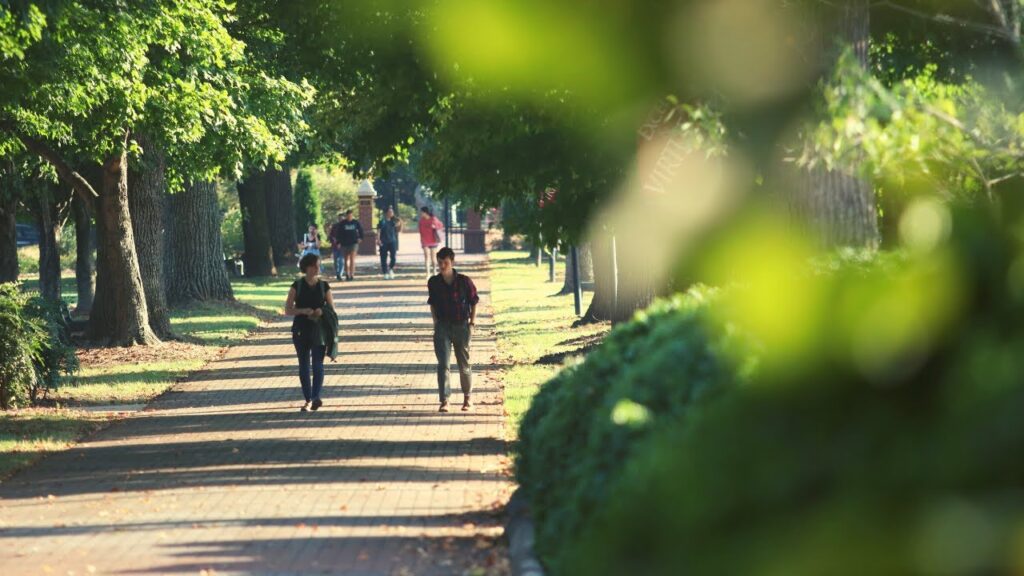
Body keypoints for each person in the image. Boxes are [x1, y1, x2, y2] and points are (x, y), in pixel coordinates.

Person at [285, 253, 338, 412]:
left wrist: (321, 311)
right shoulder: (297, 286)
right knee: (303, 365)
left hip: (319, 330)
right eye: (315, 265)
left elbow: (332, 310)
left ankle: (315, 397)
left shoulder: (324, 286)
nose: (317, 268)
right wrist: (302, 311)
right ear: (306, 267)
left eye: (318, 265)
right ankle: (307, 399)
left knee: (317, 364)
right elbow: (288, 309)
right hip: (301, 329)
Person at [427, 247, 478, 413]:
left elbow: (474, 301)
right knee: (443, 365)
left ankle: (467, 399)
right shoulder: (434, 282)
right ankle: (445, 400)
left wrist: (472, 323)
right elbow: (433, 303)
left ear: (452, 262)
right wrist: (435, 323)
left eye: (445, 263)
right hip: (442, 327)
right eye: (440, 262)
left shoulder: (464, 281)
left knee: (464, 363)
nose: (442, 266)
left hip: (461, 326)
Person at [332, 209, 363, 281]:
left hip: (353, 243)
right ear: (346, 216)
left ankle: (352, 274)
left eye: (351, 216)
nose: (349, 217)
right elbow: (338, 233)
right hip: (344, 243)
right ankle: (347, 274)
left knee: (352, 259)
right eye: (348, 216)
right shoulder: (342, 223)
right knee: (346, 259)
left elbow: (361, 230)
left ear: (352, 216)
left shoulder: (355, 222)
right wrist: (338, 242)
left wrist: (360, 238)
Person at [376, 206, 402, 279]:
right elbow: (378, 231)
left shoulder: (393, 221)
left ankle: (390, 268)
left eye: (392, 212)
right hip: (384, 241)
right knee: (383, 257)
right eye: (390, 212)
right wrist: (378, 240)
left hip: (392, 241)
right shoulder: (382, 221)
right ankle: (385, 272)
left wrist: (399, 222)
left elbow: (399, 228)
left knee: (393, 257)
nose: (391, 213)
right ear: (387, 213)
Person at [418, 206, 443, 279]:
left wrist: (435, 227)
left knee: (433, 257)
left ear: (426, 212)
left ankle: (434, 272)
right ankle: (428, 273)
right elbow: (420, 230)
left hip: (433, 240)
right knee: (426, 257)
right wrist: (422, 239)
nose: (421, 213)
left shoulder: (434, 219)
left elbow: (440, 226)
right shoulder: (421, 221)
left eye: (422, 212)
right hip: (425, 241)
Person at [328, 213, 347, 281]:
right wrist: (333, 240)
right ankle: (337, 273)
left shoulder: (346, 226)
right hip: (335, 246)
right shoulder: (335, 226)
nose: (341, 220)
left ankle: (340, 274)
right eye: (340, 219)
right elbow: (330, 235)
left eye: (342, 219)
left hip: (343, 246)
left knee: (341, 261)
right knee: (336, 261)